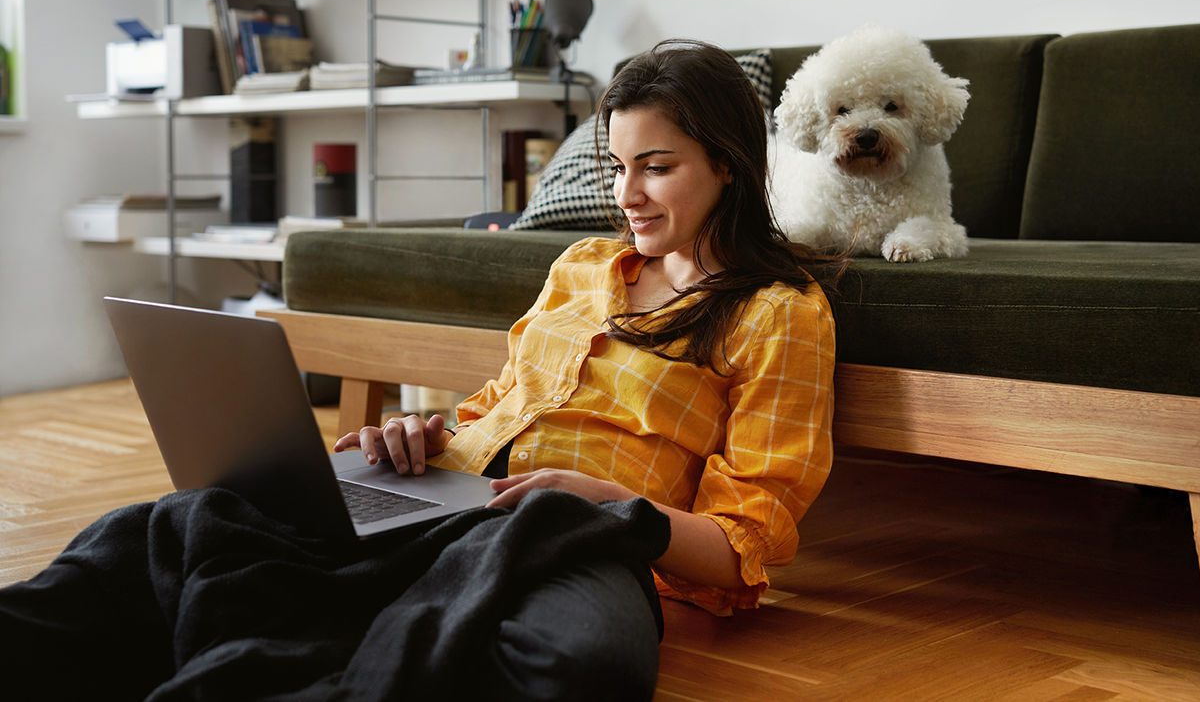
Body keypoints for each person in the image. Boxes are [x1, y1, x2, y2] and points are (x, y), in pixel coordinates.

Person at [1, 39, 836, 701]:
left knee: (587, 665)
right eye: (618, 167)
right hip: (446, 491)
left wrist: (598, 500)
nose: (629, 194)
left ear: (728, 162)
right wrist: (418, 435)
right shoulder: (583, 265)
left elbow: (740, 552)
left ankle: (338, 630)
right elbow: (497, 404)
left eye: (656, 166)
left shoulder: (780, 313)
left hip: (577, 530)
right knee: (169, 526)